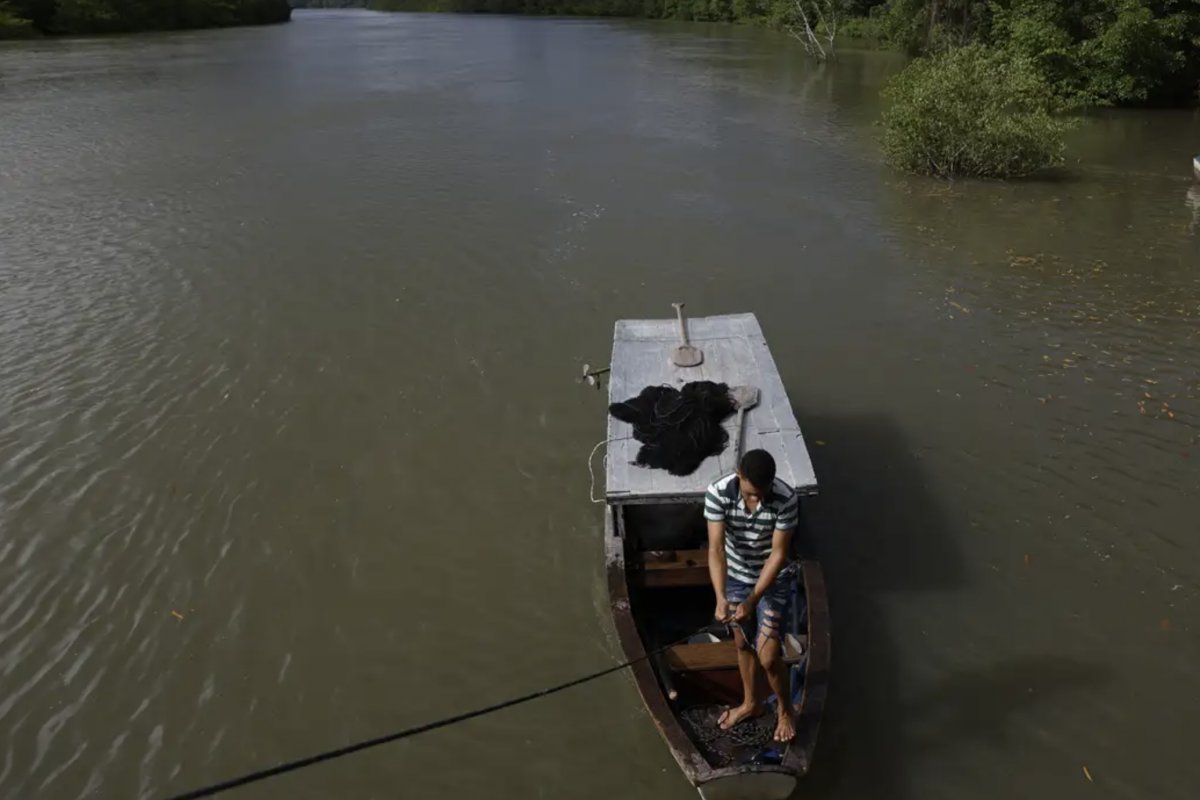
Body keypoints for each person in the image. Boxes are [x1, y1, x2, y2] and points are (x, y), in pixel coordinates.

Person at [704, 448, 800, 742]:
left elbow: (779, 555)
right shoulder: (717, 493)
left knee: (769, 656)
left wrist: (752, 600)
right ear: (739, 477)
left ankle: (785, 711)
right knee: (742, 643)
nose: (756, 499)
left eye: (761, 494)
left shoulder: (786, 499)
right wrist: (721, 598)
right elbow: (716, 549)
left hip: (772, 579)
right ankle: (751, 703)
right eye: (749, 493)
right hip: (735, 575)